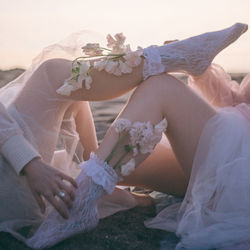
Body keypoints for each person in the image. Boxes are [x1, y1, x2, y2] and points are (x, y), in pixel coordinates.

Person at [0, 23, 248, 249]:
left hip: (237, 162)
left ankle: (86, 199)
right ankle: (172, 57)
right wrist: (29, 163)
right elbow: (234, 103)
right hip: (230, 154)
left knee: (157, 88)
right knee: (104, 155)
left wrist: (29, 163)